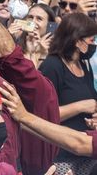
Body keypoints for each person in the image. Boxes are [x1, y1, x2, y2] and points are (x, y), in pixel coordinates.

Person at [38, 12, 97, 171]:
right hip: (61, 156)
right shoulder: (52, 66)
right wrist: (80, 106)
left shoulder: (83, 65)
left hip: (85, 154)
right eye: (91, 40)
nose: (94, 45)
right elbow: (42, 115)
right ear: (78, 41)